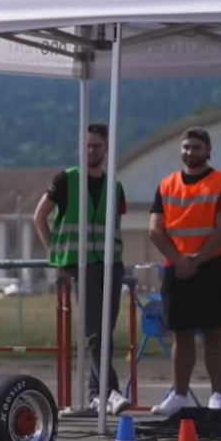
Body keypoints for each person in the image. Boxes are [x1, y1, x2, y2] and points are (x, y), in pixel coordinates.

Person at [32, 123, 132, 416]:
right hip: (80, 265)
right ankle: (109, 392)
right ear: (80, 149)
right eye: (87, 146)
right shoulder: (66, 180)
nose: (92, 151)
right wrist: (57, 253)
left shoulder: (115, 186)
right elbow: (39, 217)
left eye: (97, 146)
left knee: (105, 330)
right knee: (93, 331)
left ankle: (94, 395)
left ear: (106, 149)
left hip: (110, 263)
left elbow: (116, 223)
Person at [148, 127, 221, 416]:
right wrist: (178, 260)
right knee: (181, 334)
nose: (190, 152)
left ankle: (216, 396)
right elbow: (155, 230)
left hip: (209, 266)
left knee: (214, 333)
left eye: (196, 147)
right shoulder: (166, 184)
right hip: (176, 268)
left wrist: (196, 260)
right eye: (186, 147)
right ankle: (179, 395)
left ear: (207, 151)